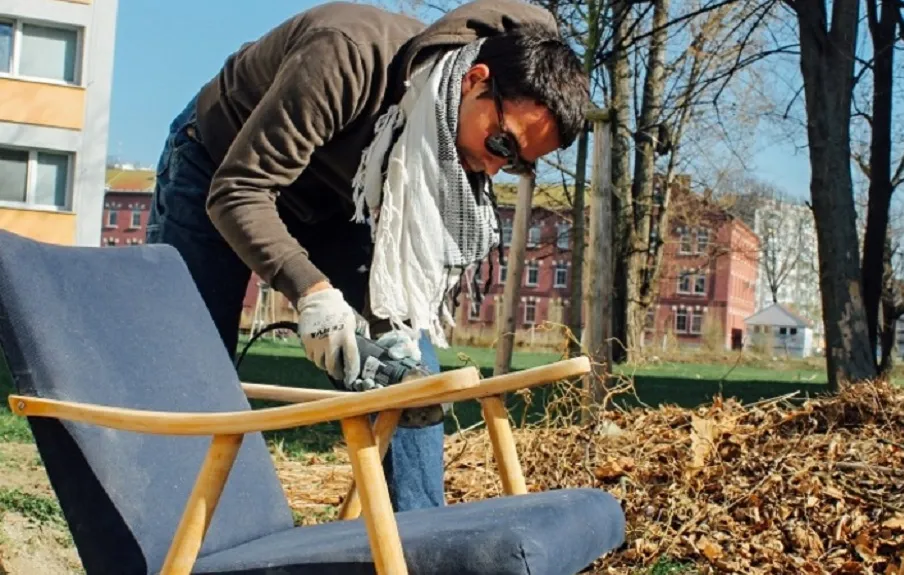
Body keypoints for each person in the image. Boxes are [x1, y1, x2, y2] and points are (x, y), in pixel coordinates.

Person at [145, 0, 591, 512]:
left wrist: (387, 321)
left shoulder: (453, 133)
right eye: (500, 144)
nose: (493, 168)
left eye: (517, 164)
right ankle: (169, 536)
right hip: (220, 163)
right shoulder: (347, 55)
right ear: (475, 79)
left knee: (409, 371)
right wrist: (314, 296)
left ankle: (420, 544)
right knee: (189, 369)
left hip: (334, 202)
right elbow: (239, 191)